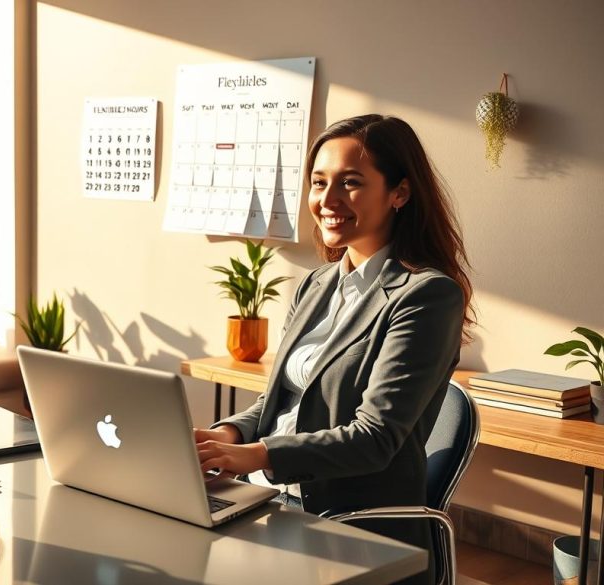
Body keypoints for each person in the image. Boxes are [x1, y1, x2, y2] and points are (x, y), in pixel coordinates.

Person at [195, 114, 474, 585]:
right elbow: (280, 402)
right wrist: (228, 437)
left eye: (350, 183)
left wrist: (260, 455)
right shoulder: (317, 284)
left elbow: (375, 437)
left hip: (346, 525)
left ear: (400, 193)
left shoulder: (427, 295)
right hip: (269, 500)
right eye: (319, 183)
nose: (328, 201)